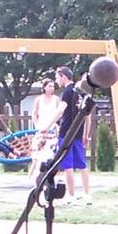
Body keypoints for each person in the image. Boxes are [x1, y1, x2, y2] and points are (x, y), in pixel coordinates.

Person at [45, 65, 93, 204]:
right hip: (79, 132)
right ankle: (87, 195)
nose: (56, 81)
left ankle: (71, 196)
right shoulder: (82, 92)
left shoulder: (67, 92)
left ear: (64, 77)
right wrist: (86, 134)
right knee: (82, 165)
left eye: (57, 78)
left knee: (68, 166)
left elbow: (60, 111)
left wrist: (46, 127)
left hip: (66, 133)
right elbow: (88, 116)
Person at [30, 77, 63, 185]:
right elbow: (34, 114)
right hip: (41, 129)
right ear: (44, 87)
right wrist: (37, 126)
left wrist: (55, 126)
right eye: (49, 86)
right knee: (37, 155)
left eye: (53, 86)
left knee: (52, 154)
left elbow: (59, 114)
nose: (52, 88)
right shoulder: (39, 99)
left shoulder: (56, 99)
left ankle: (51, 178)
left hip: (52, 129)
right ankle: (35, 178)